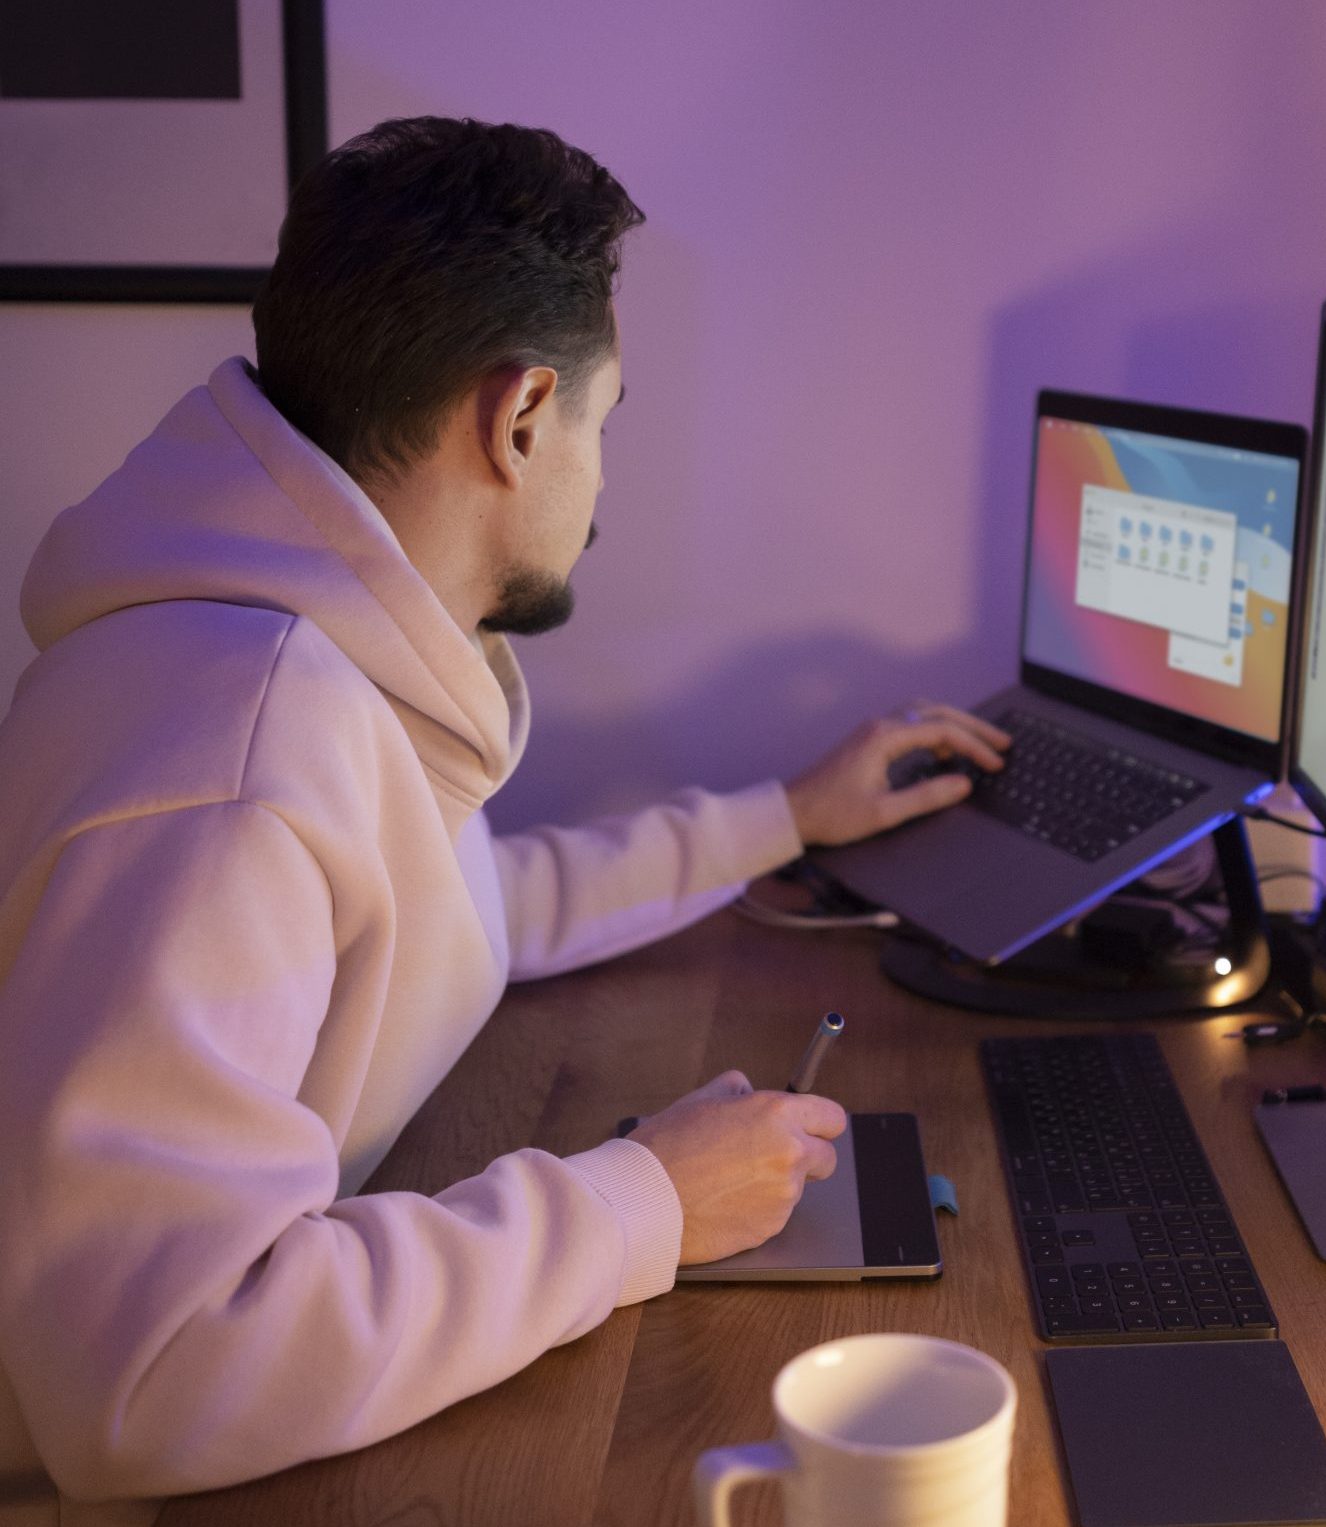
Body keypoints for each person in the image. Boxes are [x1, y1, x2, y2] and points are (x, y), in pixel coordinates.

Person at [0, 116, 1009, 1526]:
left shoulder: (295, 657)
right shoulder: (234, 754)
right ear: (522, 415)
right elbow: (157, 1373)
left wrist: (783, 817)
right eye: (604, 422)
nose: (600, 475)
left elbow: (444, 912)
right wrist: (641, 1204)